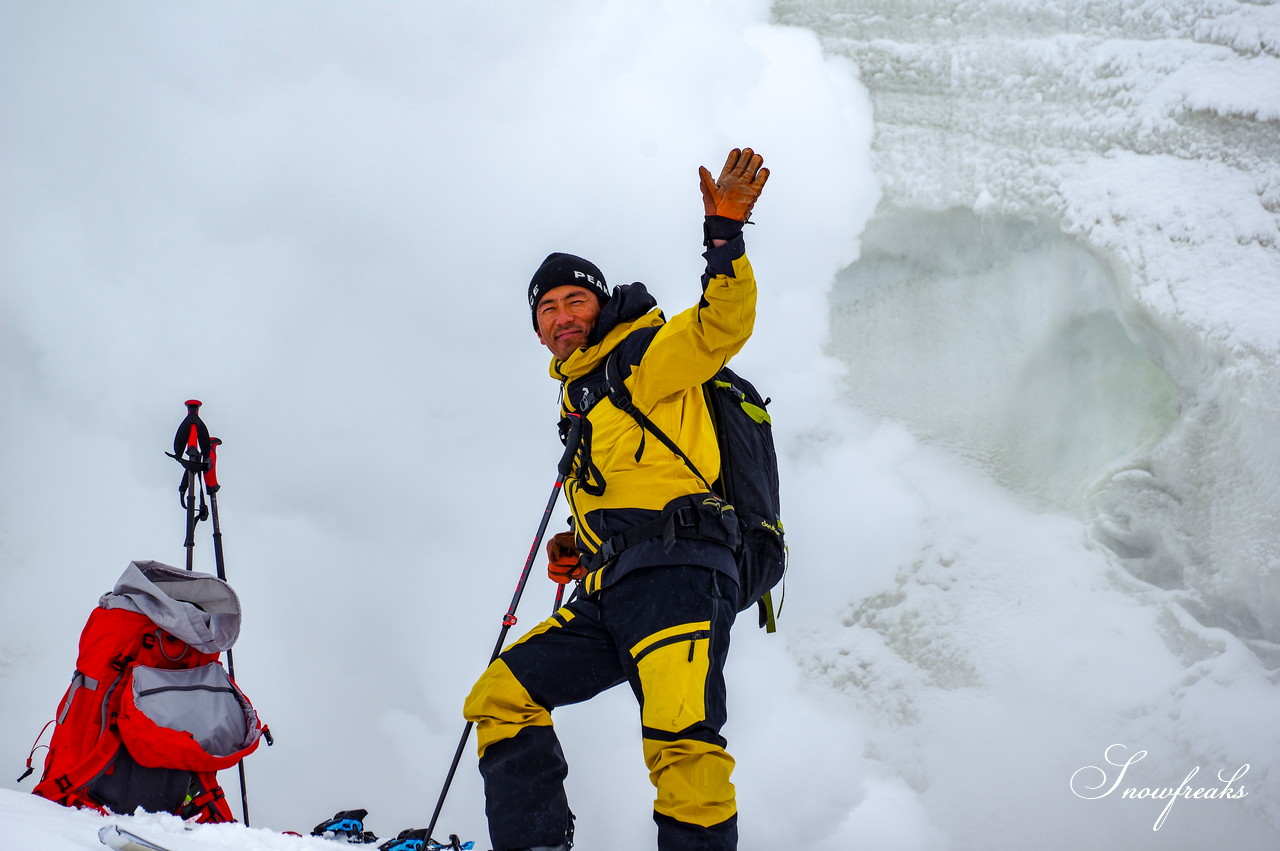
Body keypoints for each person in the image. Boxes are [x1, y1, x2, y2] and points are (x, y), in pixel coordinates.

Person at [463, 148, 769, 851]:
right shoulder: (583, 402)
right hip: (612, 589)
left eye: (575, 300)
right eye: (548, 307)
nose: (563, 314)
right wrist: (583, 541)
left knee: (680, 741)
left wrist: (723, 234)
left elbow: (722, 326)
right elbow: (634, 481)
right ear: (538, 329)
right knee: (501, 696)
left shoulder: (649, 355)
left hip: (679, 576)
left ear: (600, 306)